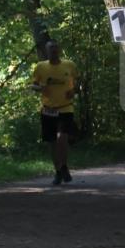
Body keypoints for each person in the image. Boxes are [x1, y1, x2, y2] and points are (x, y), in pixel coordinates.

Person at [29, 39, 79, 185]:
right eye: (51, 48)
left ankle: (64, 166)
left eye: (56, 48)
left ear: (60, 50)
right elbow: (33, 85)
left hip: (66, 107)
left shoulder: (69, 65)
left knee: (62, 138)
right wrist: (40, 89)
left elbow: (78, 82)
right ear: (47, 51)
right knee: (52, 143)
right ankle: (58, 171)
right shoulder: (40, 67)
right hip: (48, 110)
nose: (54, 50)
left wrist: (74, 91)